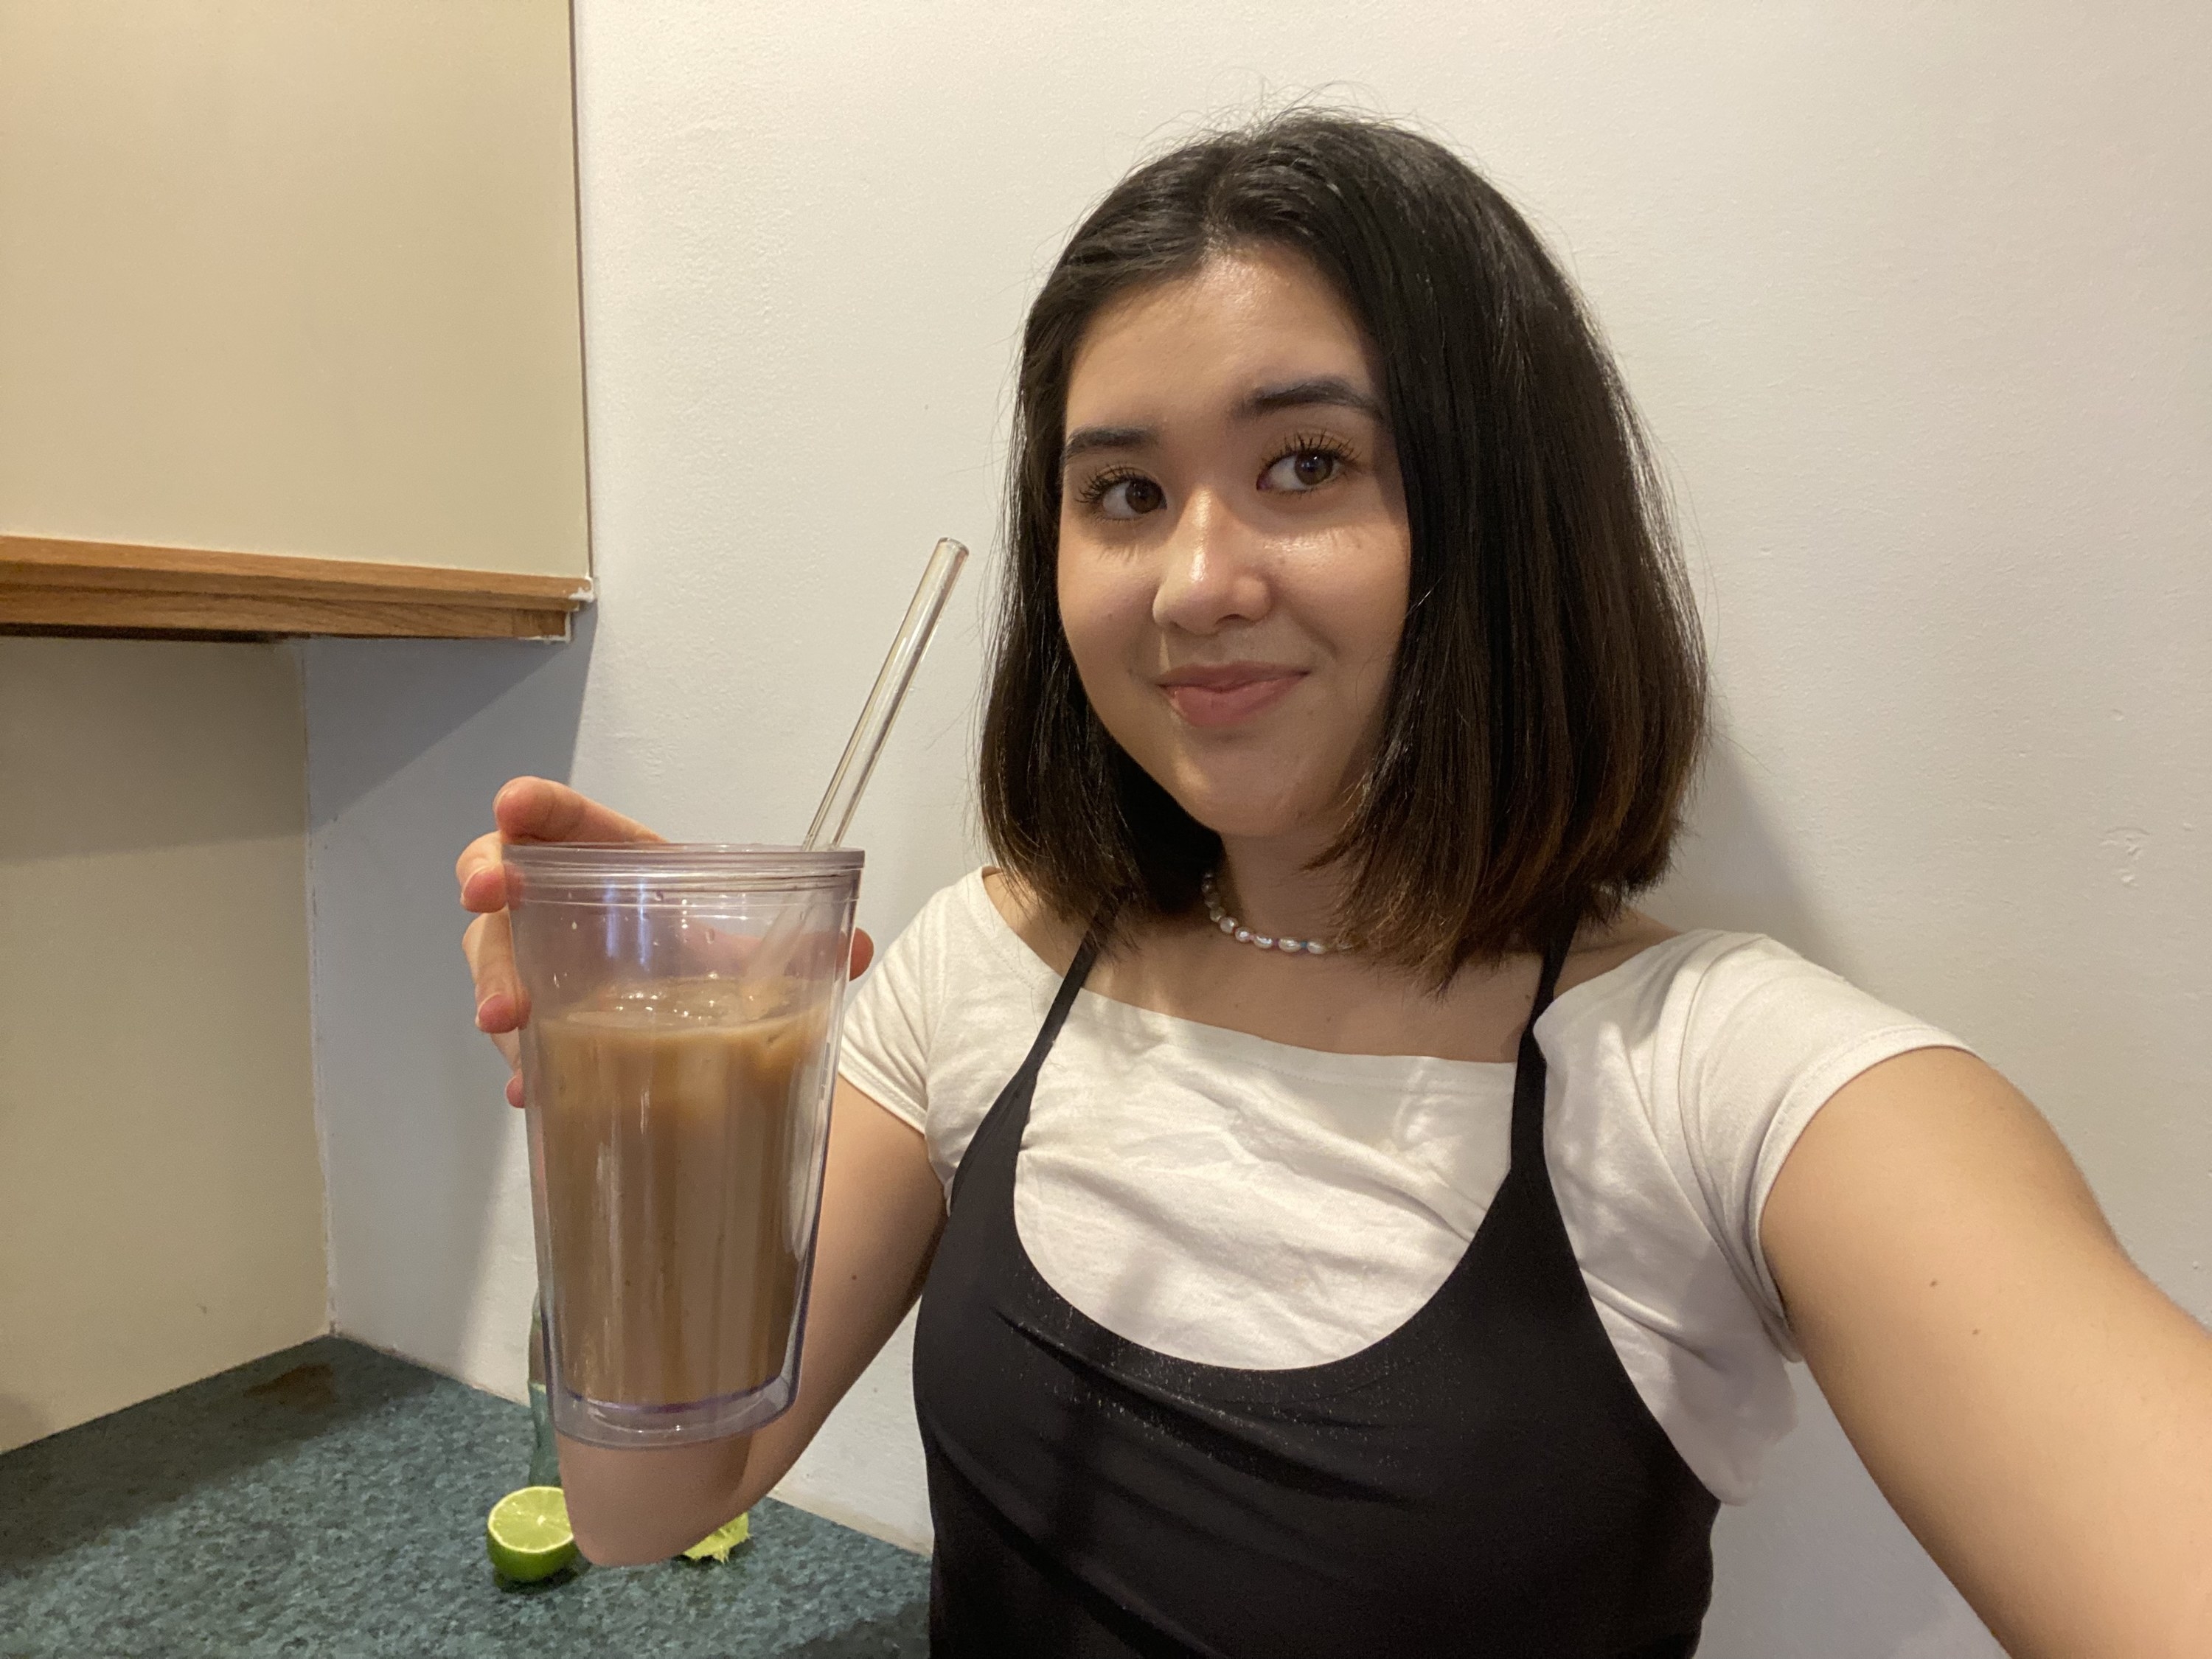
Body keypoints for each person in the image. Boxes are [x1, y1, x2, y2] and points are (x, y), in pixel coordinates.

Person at [455, 112, 2212, 1657]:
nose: (1196, 579)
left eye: (1307, 464)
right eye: (1124, 491)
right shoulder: (972, 974)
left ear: (1497, 516)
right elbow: (647, 1508)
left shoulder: (1734, 1084)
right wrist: (662, 1093)